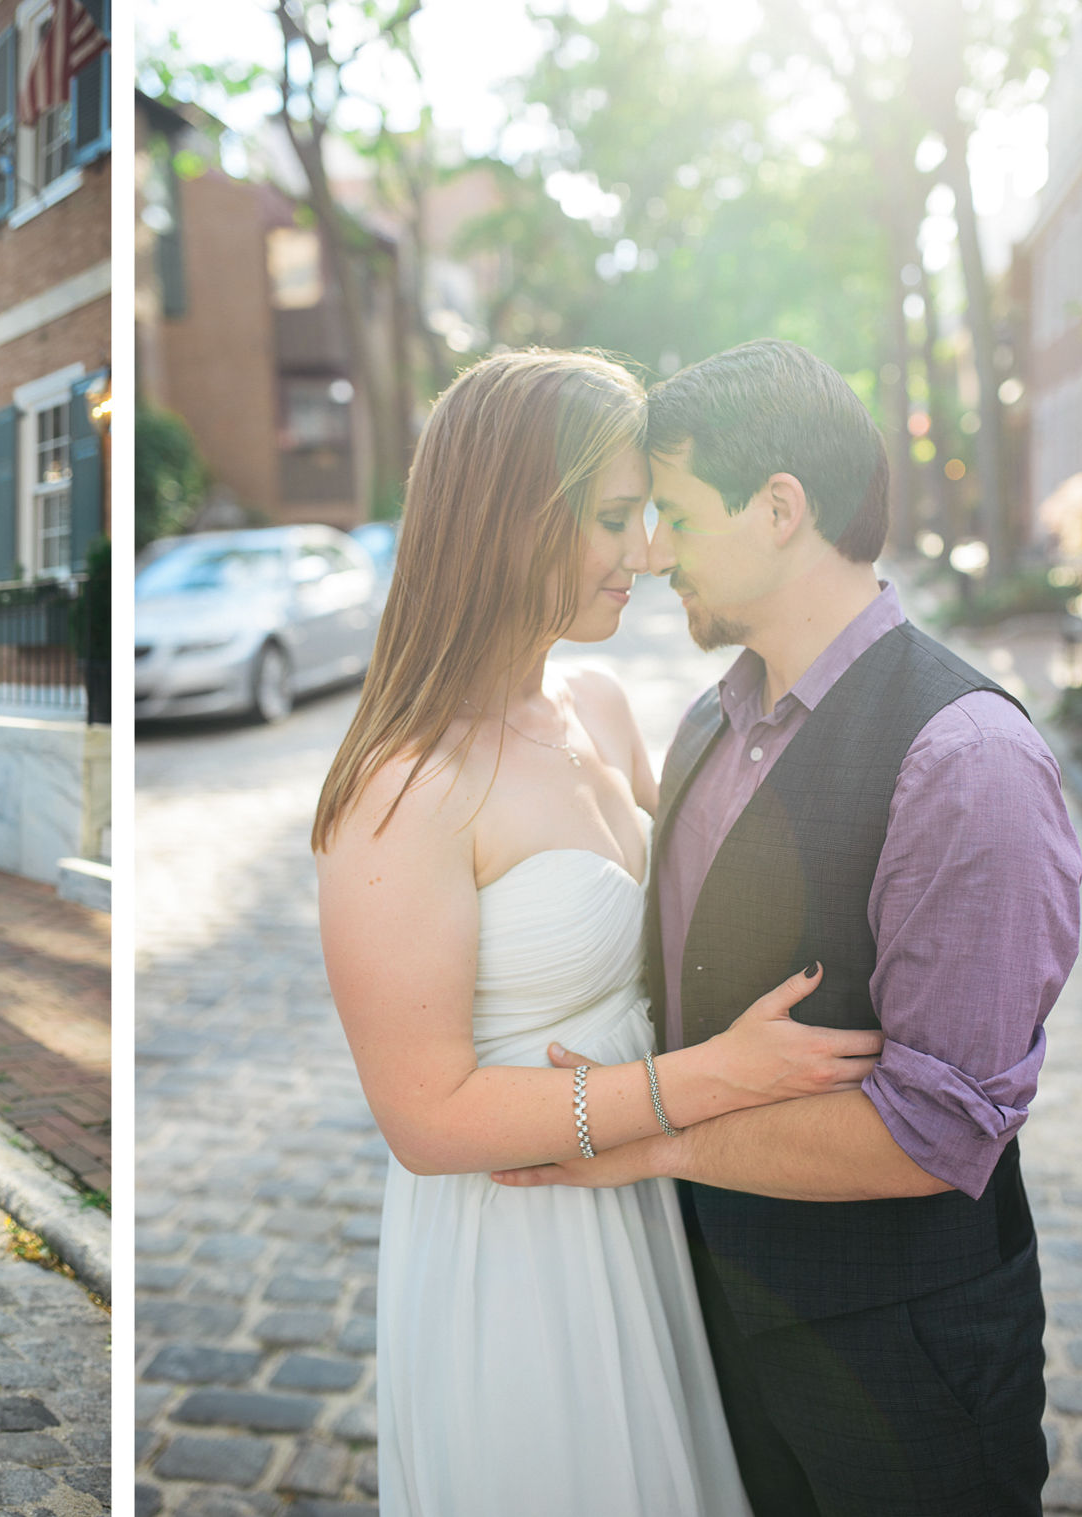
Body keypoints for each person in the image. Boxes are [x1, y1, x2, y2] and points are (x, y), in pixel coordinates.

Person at [493, 339, 1082, 1517]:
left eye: (672, 512)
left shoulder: (964, 759)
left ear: (777, 510)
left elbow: (930, 1134)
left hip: (901, 1359)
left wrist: (649, 1142)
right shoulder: (710, 728)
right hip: (718, 1332)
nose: (650, 551)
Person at [313, 349, 886, 1516]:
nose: (651, 551)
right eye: (617, 519)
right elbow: (422, 1117)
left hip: (649, 1207)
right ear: (513, 521)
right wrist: (704, 1078)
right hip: (521, 1241)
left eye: (654, 516)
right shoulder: (402, 787)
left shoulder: (599, 706)